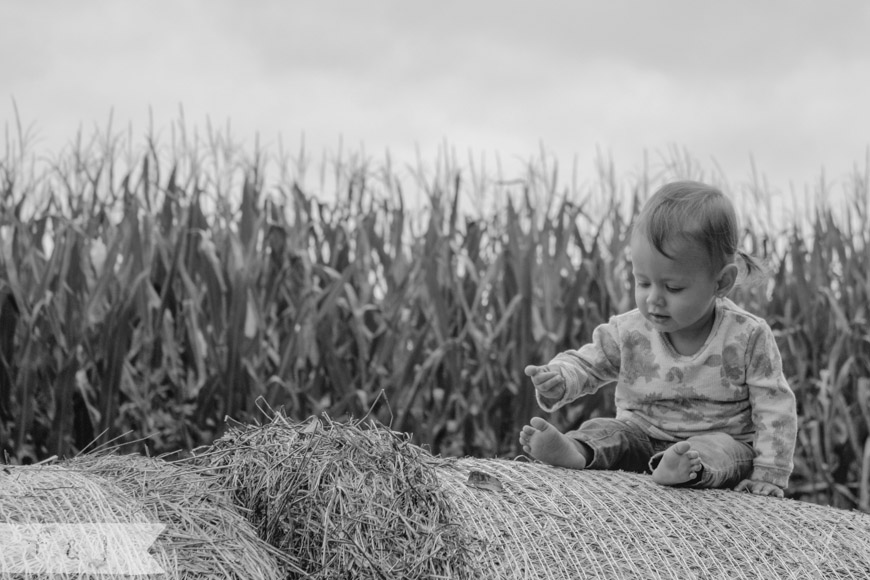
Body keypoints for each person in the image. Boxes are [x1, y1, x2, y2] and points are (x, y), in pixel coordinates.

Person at [518, 180, 797, 497]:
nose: (654, 299)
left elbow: (775, 407)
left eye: (673, 288)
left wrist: (770, 473)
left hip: (721, 440)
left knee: (719, 451)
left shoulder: (747, 336)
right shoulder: (631, 330)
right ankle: (576, 449)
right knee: (607, 430)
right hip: (641, 434)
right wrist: (561, 377)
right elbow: (588, 362)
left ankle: (682, 468)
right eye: (643, 282)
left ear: (722, 282)